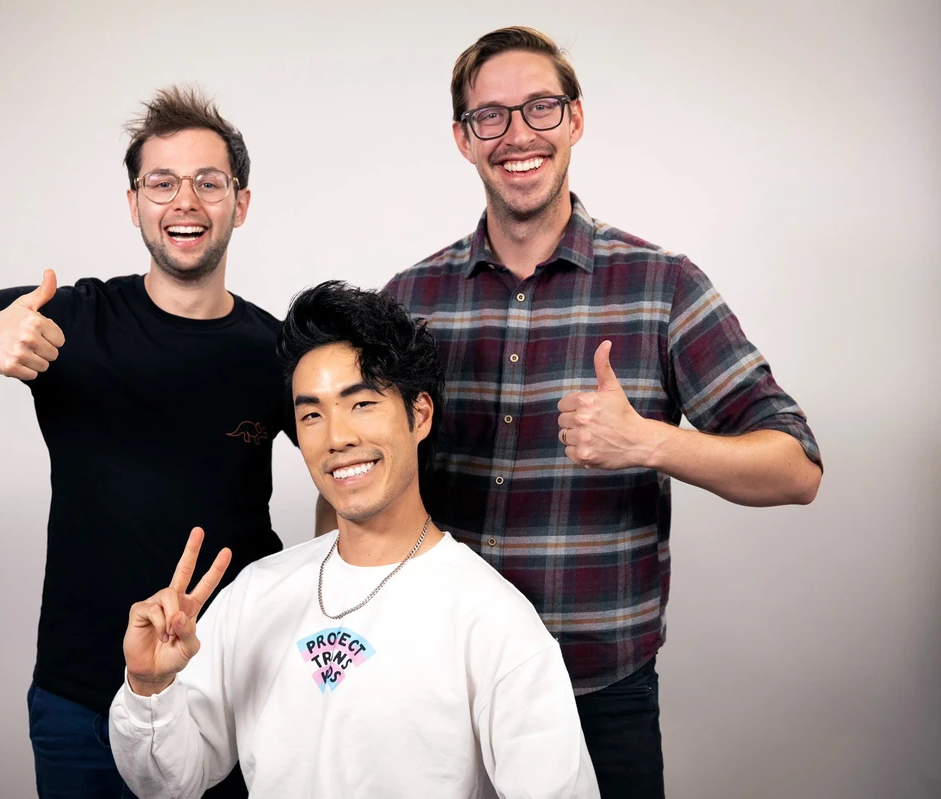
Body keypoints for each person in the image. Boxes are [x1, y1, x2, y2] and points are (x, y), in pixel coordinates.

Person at [318, 26, 824, 799]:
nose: (518, 133)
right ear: (463, 138)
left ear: (575, 119)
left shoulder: (662, 286)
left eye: (541, 107)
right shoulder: (409, 300)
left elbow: (796, 467)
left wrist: (650, 442)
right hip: (433, 691)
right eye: (490, 115)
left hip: (599, 701)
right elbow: (349, 480)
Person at [0, 86, 287, 798]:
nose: (186, 202)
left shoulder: (277, 351)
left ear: (242, 202)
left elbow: (344, 474)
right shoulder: (71, 318)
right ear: (134, 203)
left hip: (227, 696)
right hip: (83, 701)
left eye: (209, 182)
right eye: (162, 183)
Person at [109, 281, 600, 798]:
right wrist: (150, 687)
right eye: (312, 414)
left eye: (361, 403)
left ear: (420, 414)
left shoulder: (493, 619)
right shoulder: (257, 592)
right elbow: (167, 785)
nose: (337, 437)